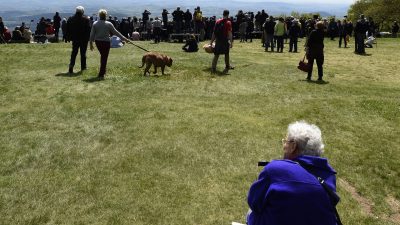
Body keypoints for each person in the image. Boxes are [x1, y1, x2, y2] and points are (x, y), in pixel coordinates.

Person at [247, 121, 339, 225]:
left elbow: (254, 202)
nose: (284, 146)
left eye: (285, 141)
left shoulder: (275, 169)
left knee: (251, 212)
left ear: (293, 146)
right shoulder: (329, 175)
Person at [90, 9, 131, 79]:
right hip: (106, 42)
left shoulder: (95, 23)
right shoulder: (108, 24)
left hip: (98, 42)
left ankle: (103, 71)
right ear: (106, 16)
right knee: (104, 57)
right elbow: (116, 33)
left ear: (99, 15)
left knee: (103, 56)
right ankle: (101, 74)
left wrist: (91, 44)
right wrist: (125, 39)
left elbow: (92, 35)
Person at [66, 6, 91, 74]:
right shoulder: (86, 19)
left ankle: (71, 66)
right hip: (83, 39)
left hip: (75, 39)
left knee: (74, 53)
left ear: (76, 11)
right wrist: (88, 38)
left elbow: (67, 29)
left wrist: (68, 37)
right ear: (82, 11)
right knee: (83, 54)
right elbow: (88, 30)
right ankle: (83, 67)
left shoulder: (71, 19)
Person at [210, 10, 233, 74]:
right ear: (228, 14)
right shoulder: (228, 22)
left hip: (218, 40)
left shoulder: (217, 21)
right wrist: (231, 42)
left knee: (216, 54)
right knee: (226, 54)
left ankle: (213, 68)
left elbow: (214, 33)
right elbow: (230, 33)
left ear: (223, 14)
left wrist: (211, 42)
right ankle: (227, 66)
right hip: (225, 40)